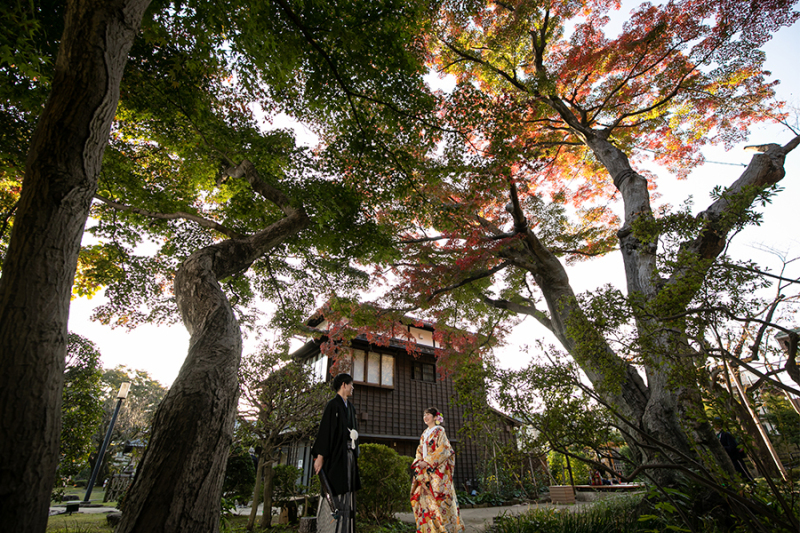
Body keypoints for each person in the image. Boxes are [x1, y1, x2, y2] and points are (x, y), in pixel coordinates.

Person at [312, 373, 360, 533]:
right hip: (335, 457)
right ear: (344, 385)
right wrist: (320, 457)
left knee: (348, 491)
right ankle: (329, 528)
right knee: (333, 489)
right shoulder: (333, 405)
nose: (353, 388)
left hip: (349, 456)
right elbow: (325, 432)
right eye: (351, 384)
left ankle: (346, 529)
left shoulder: (350, 408)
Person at [410, 407, 465, 533]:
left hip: (436, 471)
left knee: (440, 501)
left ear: (435, 417)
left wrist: (428, 461)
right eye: (424, 415)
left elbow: (444, 449)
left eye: (428, 414)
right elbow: (419, 450)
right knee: (425, 501)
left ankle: (446, 529)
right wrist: (419, 461)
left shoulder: (440, 430)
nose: (425, 417)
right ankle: (428, 529)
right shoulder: (424, 433)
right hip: (424, 470)